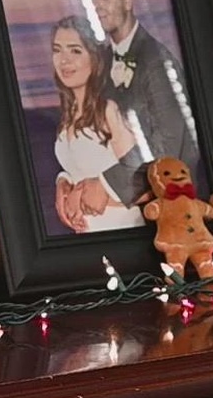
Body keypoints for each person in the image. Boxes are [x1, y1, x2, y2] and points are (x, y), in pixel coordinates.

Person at [56, 0, 202, 229]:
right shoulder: (100, 58)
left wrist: (104, 186)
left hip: (158, 222)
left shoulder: (156, 62)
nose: (96, 6)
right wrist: (66, 182)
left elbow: (172, 151)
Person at [48, 15, 147, 234]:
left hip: (122, 231)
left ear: (94, 58)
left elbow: (144, 181)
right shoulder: (68, 113)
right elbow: (80, 165)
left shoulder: (109, 109)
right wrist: (63, 184)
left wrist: (82, 197)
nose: (64, 60)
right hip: (87, 238)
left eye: (75, 50)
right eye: (57, 50)